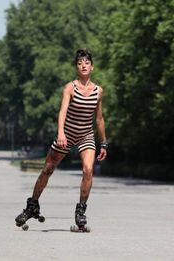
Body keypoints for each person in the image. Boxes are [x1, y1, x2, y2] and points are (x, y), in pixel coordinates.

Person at [15, 49, 108, 231]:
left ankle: (80, 211)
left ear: (92, 67)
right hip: (67, 134)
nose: (83, 65)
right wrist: (61, 133)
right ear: (76, 67)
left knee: (88, 169)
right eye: (80, 63)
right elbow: (62, 112)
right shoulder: (69, 88)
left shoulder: (98, 91)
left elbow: (99, 119)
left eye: (87, 63)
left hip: (86, 136)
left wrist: (103, 142)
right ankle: (32, 206)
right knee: (47, 169)